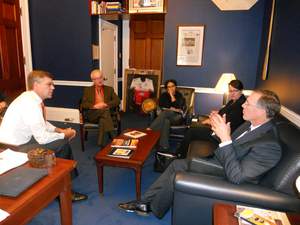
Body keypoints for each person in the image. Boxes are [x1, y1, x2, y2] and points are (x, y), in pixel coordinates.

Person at [118, 89, 282, 219]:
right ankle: (145, 202)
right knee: (177, 164)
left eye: (248, 103)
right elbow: (234, 145)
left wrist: (225, 137)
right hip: (222, 162)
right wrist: (220, 131)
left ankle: (149, 205)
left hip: (227, 175)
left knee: (177, 166)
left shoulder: (269, 145)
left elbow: (237, 177)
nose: (243, 105)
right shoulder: (251, 124)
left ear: (263, 111)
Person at [0, 70, 87, 202]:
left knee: (58, 140)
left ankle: (56, 178)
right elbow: (42, 138)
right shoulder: (31, 104)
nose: (53, 87)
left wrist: (59, 130)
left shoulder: (29, 97)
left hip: (17, 141)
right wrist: (64, 135)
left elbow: (42, 123)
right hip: (12, 148)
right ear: (36, 85)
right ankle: (63, 189)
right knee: (62, 145)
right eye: (49, 84)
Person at [174, 79, 246, 158]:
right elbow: (224, 112)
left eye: (234, 91)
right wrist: (217, 113)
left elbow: (227, 121)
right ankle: (182, 149)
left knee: (191, 131)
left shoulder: (241, 106)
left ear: (241, 91)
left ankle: (180, 155)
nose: (232, 94)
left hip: (221, 136)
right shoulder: (233, 101)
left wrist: (210, 120)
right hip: (217, 129)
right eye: (230, 91)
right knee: (193, 127)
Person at [81, 69, 120, 146]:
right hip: (93, 115)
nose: (99, 80)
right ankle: (114, 138)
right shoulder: (87, 90)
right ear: (93, 80)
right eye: (96, 78)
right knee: (105, 112)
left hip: (106, 114)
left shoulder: (109, 89)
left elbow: (117, 100)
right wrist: (94, 106)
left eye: (101, 77)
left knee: (103, 118)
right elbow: (84, 104)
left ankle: (101, 144)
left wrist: (105, 104)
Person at [147, 79, 186, 150]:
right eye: (168, 87)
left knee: (166, 112)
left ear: (175, 86)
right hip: (166, 115)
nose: (171, 88)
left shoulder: (179, 95)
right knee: (166, 121)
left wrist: (171, 96)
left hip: (177, 117)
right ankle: (164, 145)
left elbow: (178, 106)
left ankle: (150, 129)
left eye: (172, 86)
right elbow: (162, 105)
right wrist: (172, 108)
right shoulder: (164, 95)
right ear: (166, 88)